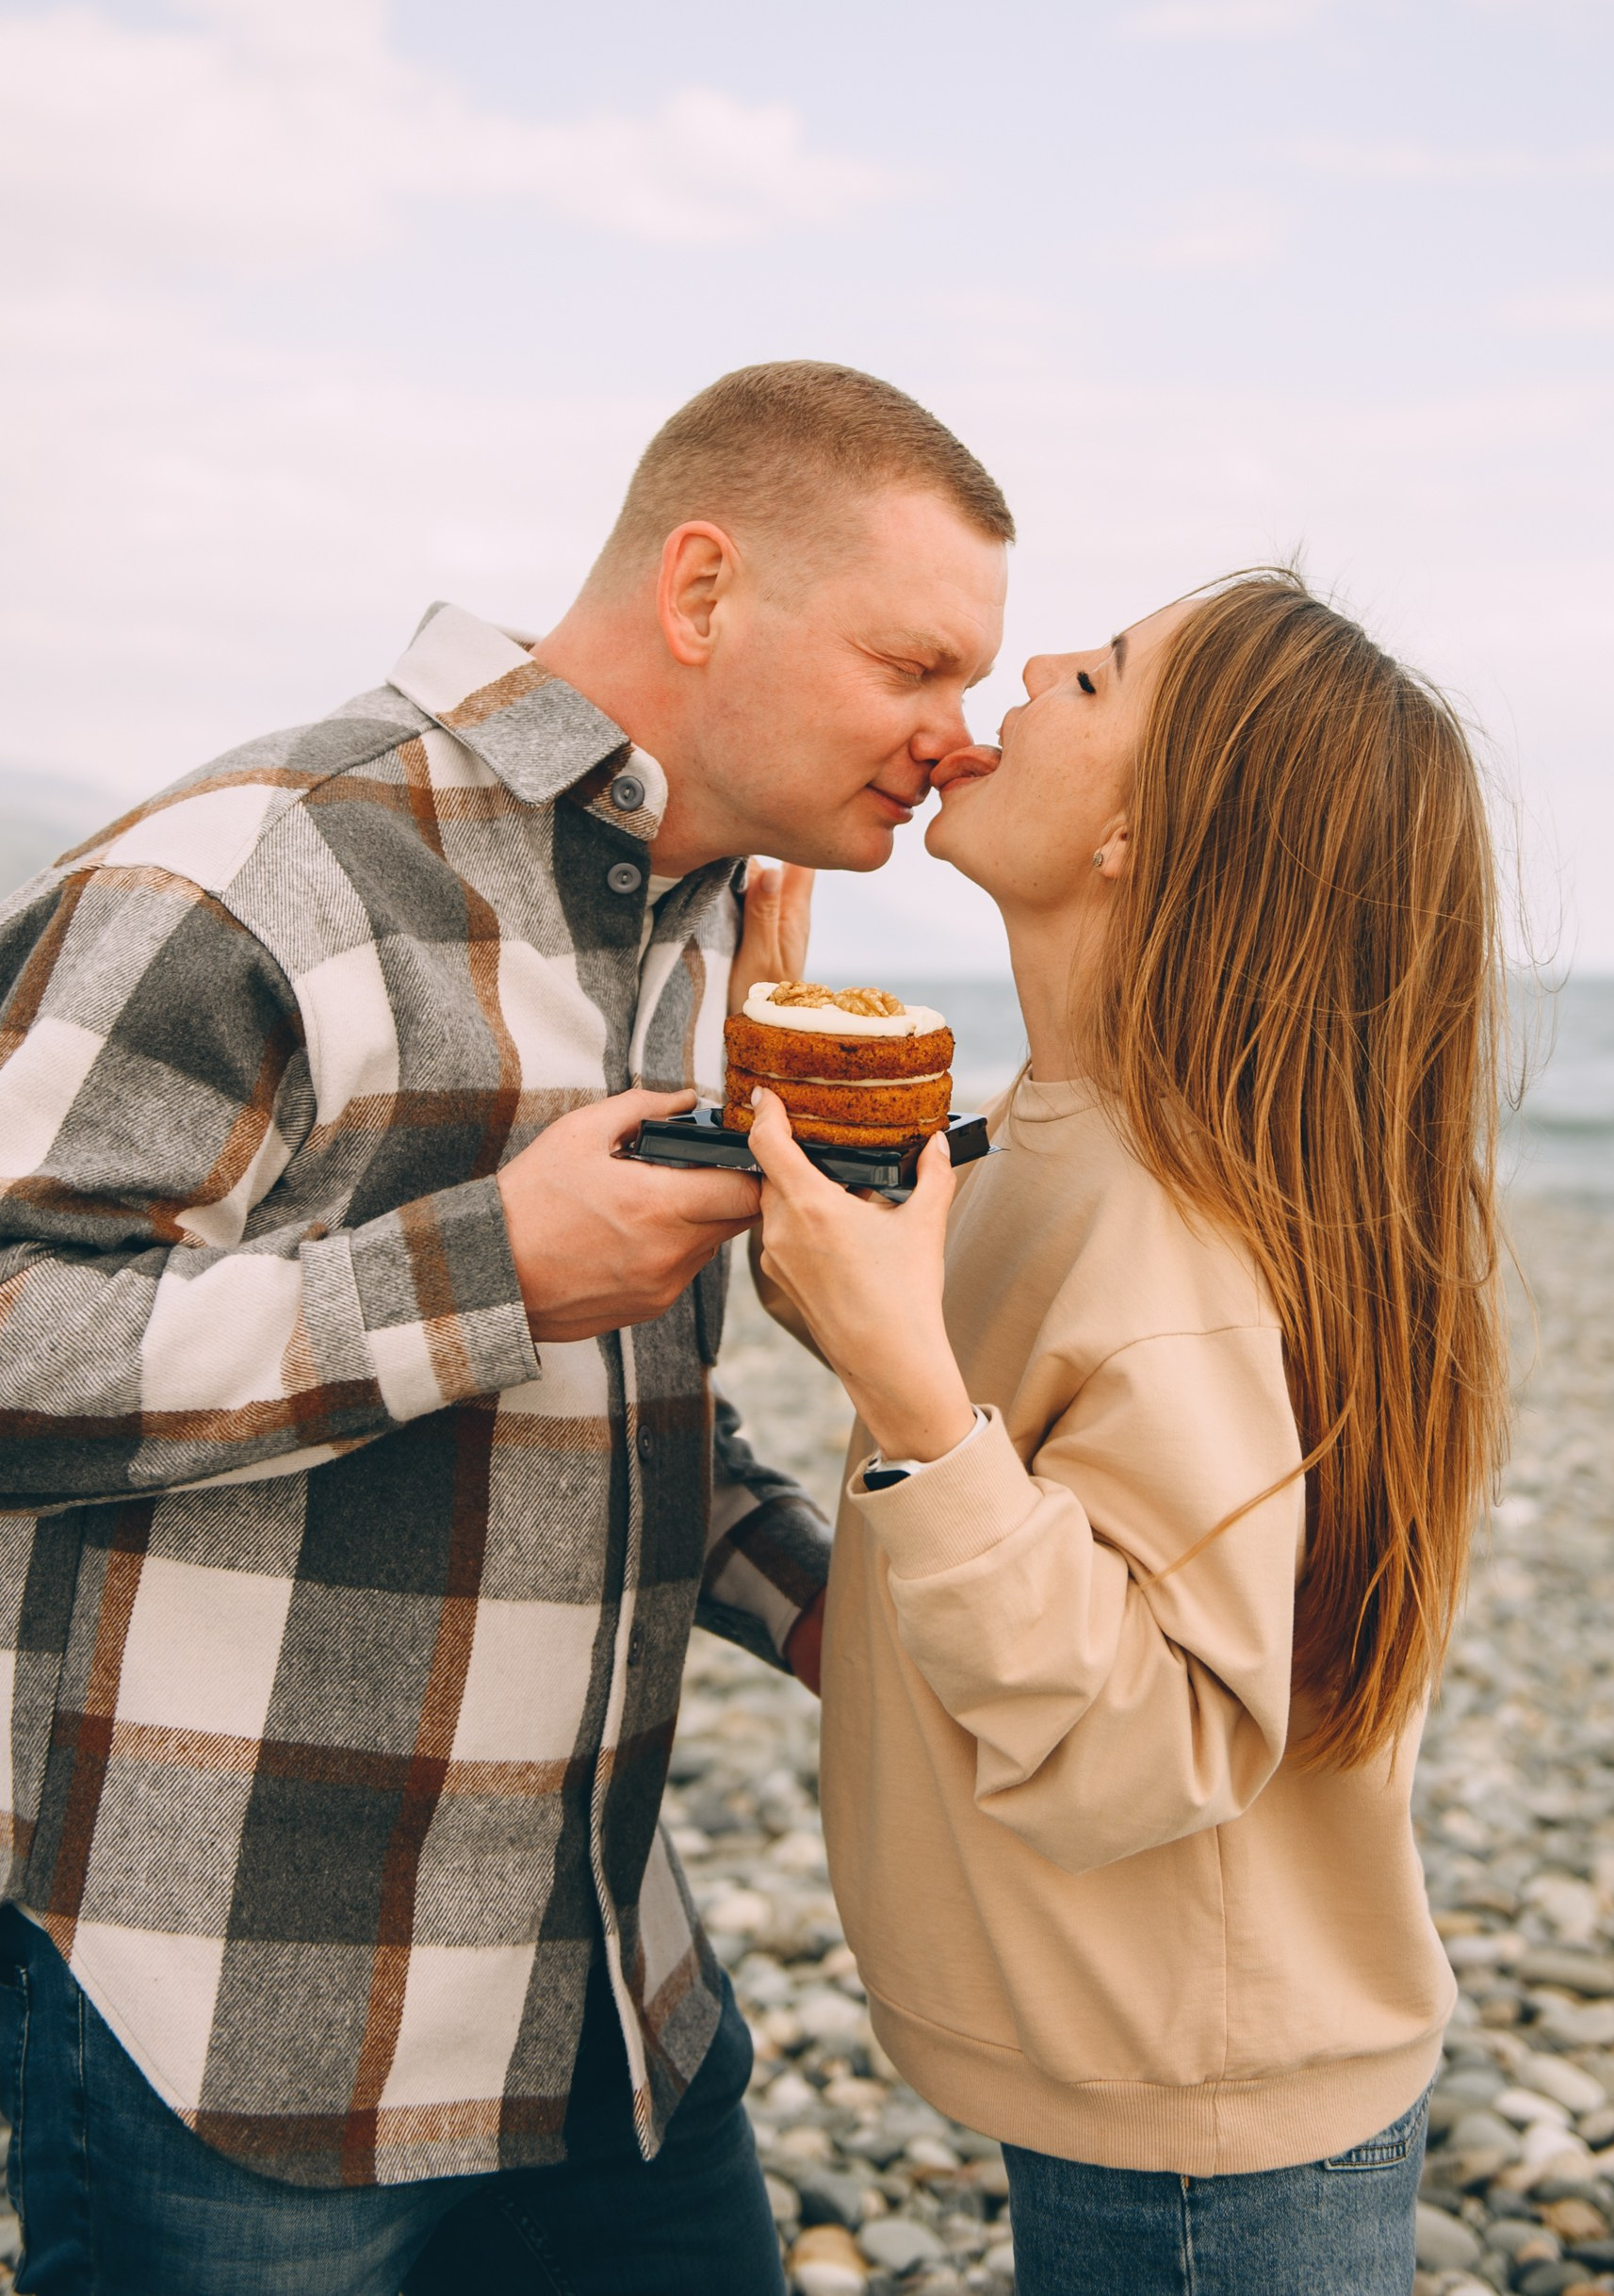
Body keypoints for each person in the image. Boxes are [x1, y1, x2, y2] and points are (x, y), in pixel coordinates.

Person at [0, 361, 1010, 2294]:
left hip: (602, 2005)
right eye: (915, 666)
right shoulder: (252, 863)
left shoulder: (710, 923)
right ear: (703, 591)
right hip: (231, 2022)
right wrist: (486, 1272)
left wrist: (839, 1614)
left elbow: (624, 1403)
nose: (953, 742)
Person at [749, 569, 1509, 2296]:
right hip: (1148, 2059)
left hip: (1210, 2139)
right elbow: (960, 1377)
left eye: (1090, 681)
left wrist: (917, 1412)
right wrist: (782, 1101)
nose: (1029, 669)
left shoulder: (1175, 1241)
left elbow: (1150, 1744)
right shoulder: (1060, 1132)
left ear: (1140, 841)